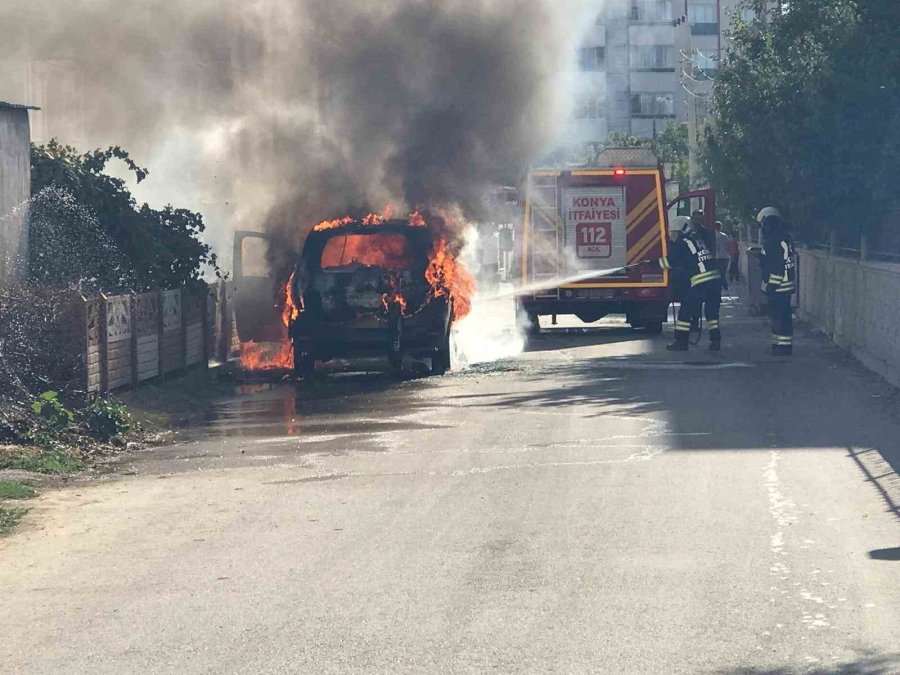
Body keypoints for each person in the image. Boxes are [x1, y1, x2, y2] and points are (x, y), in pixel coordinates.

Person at [648, 215, 722, 351]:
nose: (672, 236)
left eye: (673, 232)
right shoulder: (697, 239)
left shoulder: (684, 242)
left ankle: (681, 342)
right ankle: (715, 340)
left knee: (685, 312)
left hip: (702, 281)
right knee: (712, 314)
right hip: (715, 280)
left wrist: (651, 264)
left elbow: (670, 261)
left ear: (681, 230)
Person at [758, 207, 796, 355]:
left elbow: (775, 266)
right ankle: (780, 344)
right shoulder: (785, 237)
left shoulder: (772, 241)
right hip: (787, 284)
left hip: (778, 286)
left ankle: (782, 347)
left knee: (779, 317)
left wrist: (771, 285)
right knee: (783, 316)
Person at [713, 221, 731, 291]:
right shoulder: (725, 236)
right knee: (723, 272)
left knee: (718, 273)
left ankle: (721, 286)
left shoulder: (713, 236)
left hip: (717, 257)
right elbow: (728, 247)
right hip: (725, 257)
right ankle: (724, 286)